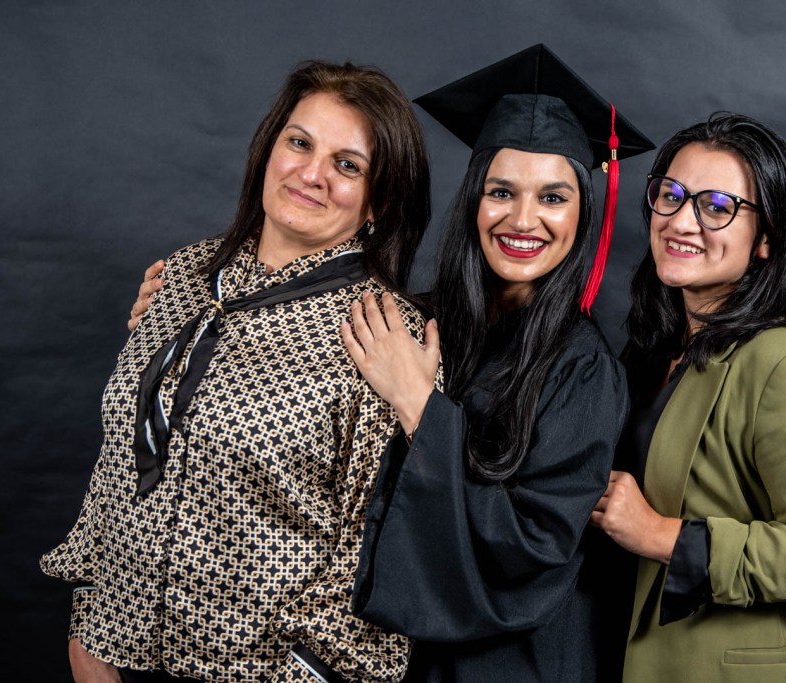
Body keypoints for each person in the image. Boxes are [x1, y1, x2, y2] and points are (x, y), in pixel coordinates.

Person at [126, 45, 653, 682]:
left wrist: (419, 406)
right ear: (474, 200)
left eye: (553, 197)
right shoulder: (418, 320)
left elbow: (532, 551)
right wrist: (185, 319)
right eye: (501, 191)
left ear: (583, 213)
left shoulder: (583, 371)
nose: (523, 219)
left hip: (510, 665)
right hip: (395, 660)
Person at [41, 60, 433, 683]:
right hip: (117, 653)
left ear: (378, 202)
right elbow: (121, 455)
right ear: (269, 149)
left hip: (260, 670)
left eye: (347, 164)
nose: (311, 174)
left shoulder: (385, 333)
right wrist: (89, 627)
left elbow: (378, 544)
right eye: (299, 143)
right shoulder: (183, 277)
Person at [590, 112, 786, 682]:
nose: (680, 221)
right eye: (670, 195)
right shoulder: (653, 351)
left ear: (766, 239)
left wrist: (658, 533)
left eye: (717, 206)